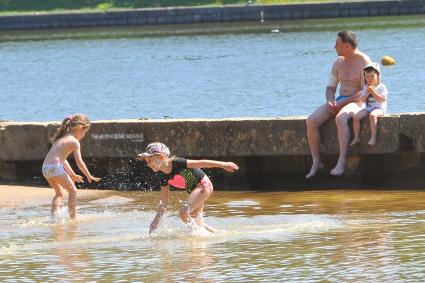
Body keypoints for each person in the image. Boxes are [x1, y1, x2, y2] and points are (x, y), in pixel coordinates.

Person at [306, 30, 371, 178]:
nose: (334, 47)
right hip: (340, 100)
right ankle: (316, 161)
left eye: (337, 44)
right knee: (311, 121)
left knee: (340, 118)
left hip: (358, 102)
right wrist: (330, 101)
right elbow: (330, 88)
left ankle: (342, 161)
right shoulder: (338, 63)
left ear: (347, 46)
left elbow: (364, 93)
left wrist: (341, 105)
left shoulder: (365, 63)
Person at [137, 142, 239, 235]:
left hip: (203, 186)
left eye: (150, 160)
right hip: (195, 190)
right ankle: (221, 235)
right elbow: (164, 202)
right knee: (198, 222)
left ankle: (197, 235)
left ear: (160, 157)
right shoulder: (162, 175)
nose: (148, 164)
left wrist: (223, 165)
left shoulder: (177, 163)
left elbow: (202, 163)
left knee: (183, 213)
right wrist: (155, 222)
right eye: (147, 161)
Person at [42, 114, 101, 220]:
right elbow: (80, 163)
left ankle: (54, 218)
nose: (83, 135)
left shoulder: (60, 139)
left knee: (59, 193)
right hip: (55, 168)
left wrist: (72, 174)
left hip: (45, 168)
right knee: (73, 191)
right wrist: (89, 175)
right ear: (79, 128)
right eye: (84, 132)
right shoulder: (74, 142)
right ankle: (73, 218)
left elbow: (63, 160)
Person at [350, 62, 388, 146]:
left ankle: (373, 136)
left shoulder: (381, 87)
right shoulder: (365, 87)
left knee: (372, 115)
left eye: (372, 76)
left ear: (378, 76)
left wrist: (374, 92)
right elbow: (362, 100)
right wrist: (367, 93)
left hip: (379, 108)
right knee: (356, 117)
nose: (369, 79)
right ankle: (356, 137)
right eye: (367, 77)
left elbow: (383, 99)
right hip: (368, 108)